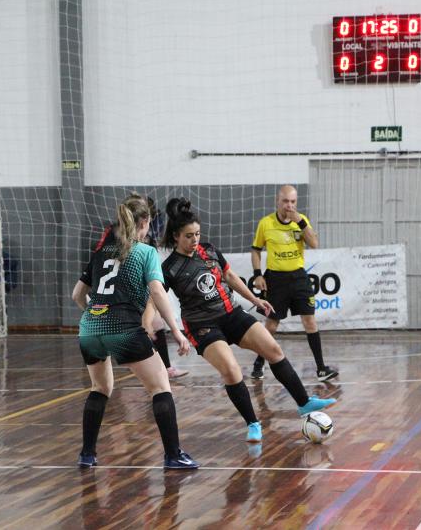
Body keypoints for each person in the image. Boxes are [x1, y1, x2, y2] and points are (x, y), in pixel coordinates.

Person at [159, 197, 336, 443]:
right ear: (176, 236)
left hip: (230, 314)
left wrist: (255, 300)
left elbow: (230, 276)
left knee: (273, 349)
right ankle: (253, 423)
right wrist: (174, 330)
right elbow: (157, 297)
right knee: (231, 371)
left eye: (197, 234)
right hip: (202, 325)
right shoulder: (169, 267)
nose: (195, 240)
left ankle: (304, 403)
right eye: (189, 236)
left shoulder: (208, 250)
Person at [71, 192, 198, 470]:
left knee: (101, 388)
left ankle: (87, 454)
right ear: (144, 222)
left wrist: (92, 315)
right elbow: (157, 291)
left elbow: (77, 294)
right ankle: (173, 454)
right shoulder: (145, 252)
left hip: (89, 328)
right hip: (123, 329)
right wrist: (176, 330)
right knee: (160, 386)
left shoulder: (101, 251)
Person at [250, 185, 339, 382]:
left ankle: (321, 369)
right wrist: (257, 274)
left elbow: (314, 244)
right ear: (278, 201)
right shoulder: (266, 223)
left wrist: (301, 222)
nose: (289, 205)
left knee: (310, 322)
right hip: (276, 279)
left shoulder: (301, 221)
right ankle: (259, 362)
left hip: (299, 278)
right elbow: (256, 250)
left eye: (293, 202)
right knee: (271, 325)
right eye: (285, 201)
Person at [144, 196, 189, 379]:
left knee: (156, 324)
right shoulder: (138, 243)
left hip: (145, 290)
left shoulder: (151, 236)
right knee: (150, 325)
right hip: (134, 294)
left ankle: (165, 369)